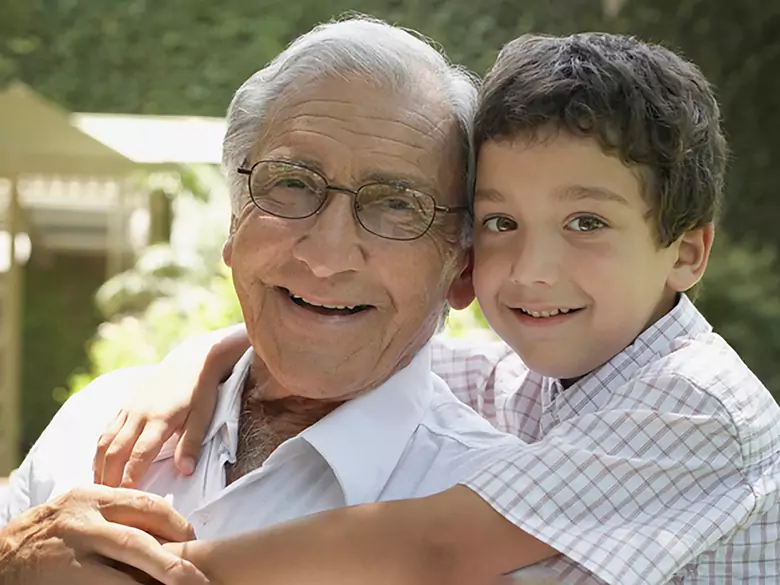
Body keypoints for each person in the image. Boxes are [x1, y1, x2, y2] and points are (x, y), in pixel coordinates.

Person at [94, 30, 780, 585]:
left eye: (586, 223)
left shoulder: (697, 403)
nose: (530, 271)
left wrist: (137, 569)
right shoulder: (537, 376)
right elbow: (360, 338)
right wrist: (203, 356)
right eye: (501, 223)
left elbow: (430, 548)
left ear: (688, 252)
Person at [0, 17, 551, 585]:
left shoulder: (506, 527)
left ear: (461, 270)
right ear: (235, 223)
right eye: (292, 183)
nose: (327, 256)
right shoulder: (100, 418)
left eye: (397, 205)